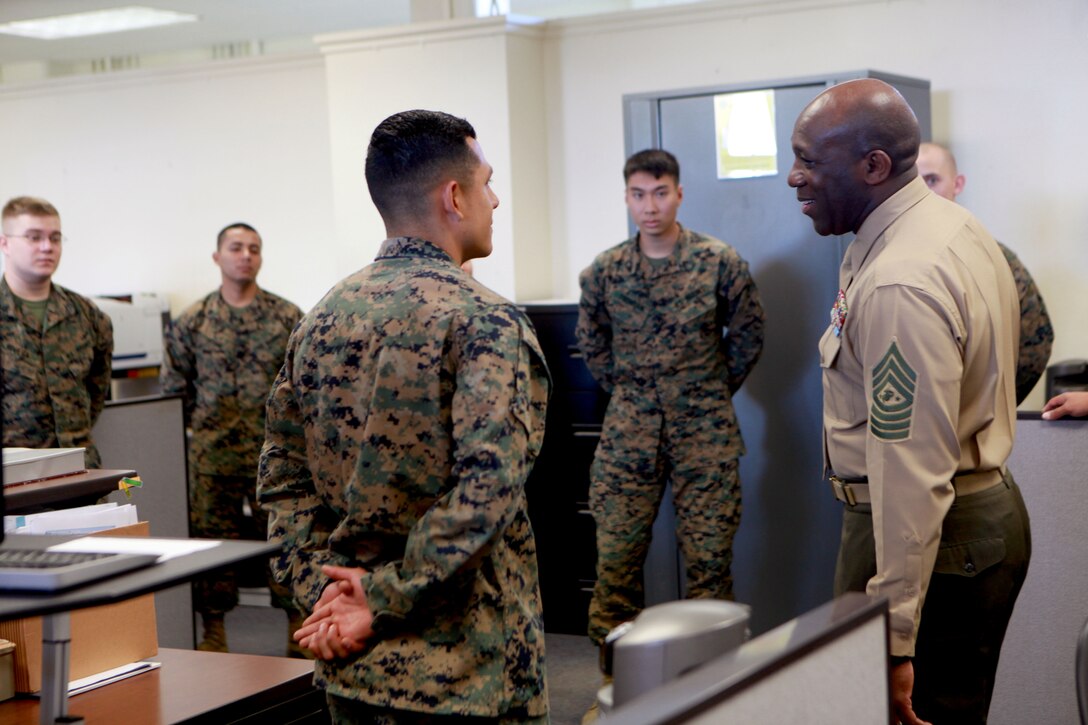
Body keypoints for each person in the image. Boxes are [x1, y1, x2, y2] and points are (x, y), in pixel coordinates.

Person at [257, 109, 551, 723]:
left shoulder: (319, 320)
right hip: (468, 677)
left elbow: (283, 484)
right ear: (454, 196)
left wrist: (325, 600)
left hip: (353, 666)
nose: (495, 200)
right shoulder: (484, 319)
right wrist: (379, 599)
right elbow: (487, 490)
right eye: (487, 182)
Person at [789, 78, 1031, 725]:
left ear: (872, 167)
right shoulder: (941, 227)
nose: (793, 177)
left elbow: (910, 468)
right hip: (953, 522)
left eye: (810, 160)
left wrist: (895, 636)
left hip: (929, 534)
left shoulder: (901, 277)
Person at [576, 150, 765, 651]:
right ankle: (614, 693)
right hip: (627, 436)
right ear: (627, 198)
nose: (650, 206)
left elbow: (748, 334)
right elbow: (592, 344)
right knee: (615, 565)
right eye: (638, 194)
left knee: (709, 567)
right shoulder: (604, 272)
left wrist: (708, 389)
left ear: (679, 194)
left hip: (705, 436)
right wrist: (631, 392)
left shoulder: (719, 262)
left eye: (660, 193)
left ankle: (711, 692)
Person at [161, 222, 304, 654]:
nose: (246, 255)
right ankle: (214, 630)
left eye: (254, 249)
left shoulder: (286, 316)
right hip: (213, 459)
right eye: (236, 248)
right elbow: (175, 389)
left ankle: (297, 628)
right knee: (211, 545)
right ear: (217, 257)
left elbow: (304, 384)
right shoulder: (194, 321)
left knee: (284, 541)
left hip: (275, 458)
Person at [916, 141, 1054, 404]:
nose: (924, 192)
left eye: (932, 180)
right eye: (915, 182)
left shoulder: (994, 257)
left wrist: (990, 408)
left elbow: (1035, 345)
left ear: (957, 184)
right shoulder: (887, 254)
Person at [1, 196, 113, 468]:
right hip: (14, 477)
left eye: (55, 238)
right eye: (34, 237)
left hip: (80, 470)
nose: (46, 247)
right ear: (4, 243)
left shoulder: (88, 315)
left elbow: (95, 394)